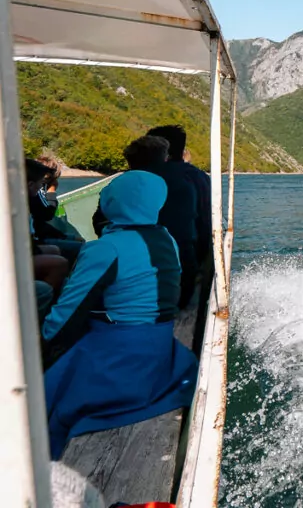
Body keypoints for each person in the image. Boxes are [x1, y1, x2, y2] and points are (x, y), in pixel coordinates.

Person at [42, 170, 197, 459]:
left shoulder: (105, 248)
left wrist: (41, 343)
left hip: (119, 354)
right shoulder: (167, 239)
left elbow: (67, 313)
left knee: (43, 401)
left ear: (114, 202)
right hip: (161, 348)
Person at [94, 136, 200, 309]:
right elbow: (186, 229)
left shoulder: (118, 187)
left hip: (128, 281)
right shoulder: (182, 185)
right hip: (182, 276)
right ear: (164, 158)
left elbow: (99, 222)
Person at [148, 125, 211, 282]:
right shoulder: (200, 177)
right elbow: (205, 224)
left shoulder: (152, 178)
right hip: (190, 264)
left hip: (159, 269)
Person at [25, 159, 69, 295]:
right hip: (30, 246)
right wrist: (52, 191)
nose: (41, 186)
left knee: (54, 250)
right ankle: (42, 302)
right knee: (60, 262)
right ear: (31, 184)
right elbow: (46, 215)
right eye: (40, 183)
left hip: (33, 243)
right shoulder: (31, 197)